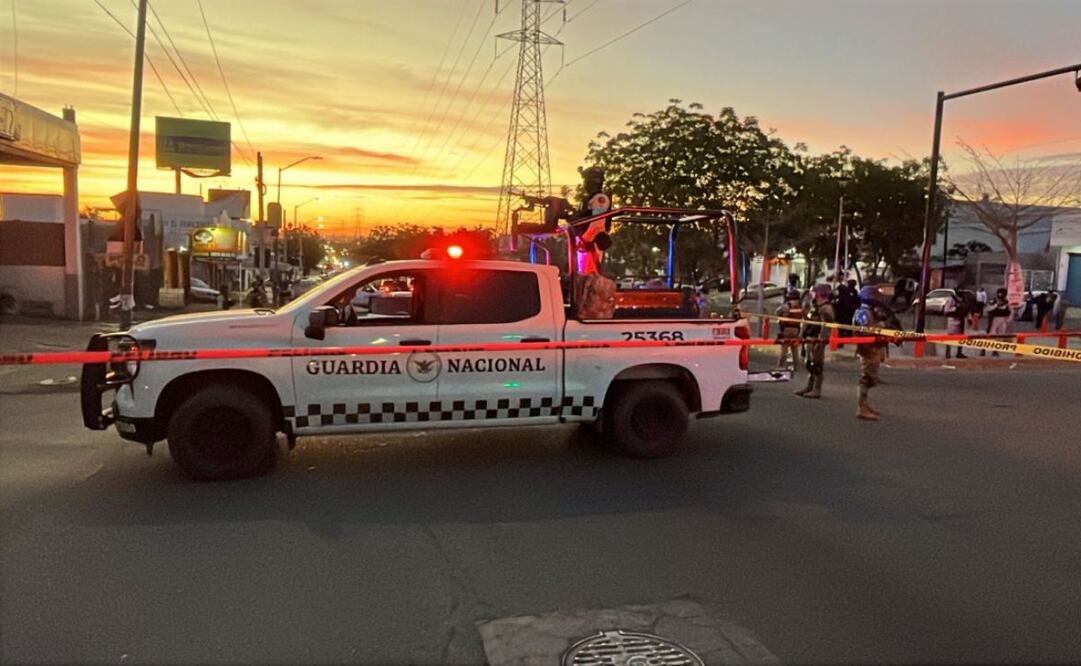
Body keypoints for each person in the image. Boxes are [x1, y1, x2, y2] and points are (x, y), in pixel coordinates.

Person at [853, 286, 903, 421]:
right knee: (866, 378)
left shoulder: (870, 311)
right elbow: (866, 331)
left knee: (871, 378)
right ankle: (861, 408)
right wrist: (882, 325)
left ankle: (865, 404)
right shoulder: (864, 312)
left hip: (874, 347)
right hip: (868, 347)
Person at [794, 283, 834, 398]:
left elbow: (826, 326)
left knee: (817, 365)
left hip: (817, 339)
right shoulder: (815, 307)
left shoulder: (826, 308)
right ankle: (809, 386)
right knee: (809, 363)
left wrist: (822, 340)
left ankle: (817, 389)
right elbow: (807, 322)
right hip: (809, 339)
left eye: (814, 292)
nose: (812, 295)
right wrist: (801, 335)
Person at [775, 289, 804, 372]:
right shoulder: (800, 306)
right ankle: (796, 367)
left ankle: (780, 366)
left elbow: (776, 312)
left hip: (786, 329)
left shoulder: (786, 305)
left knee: (784, 349)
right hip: (796, 330)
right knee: (794, 349)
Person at [982, 288, 1011, 357]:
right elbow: (988, 310)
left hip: (1002, 320)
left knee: (999, 336)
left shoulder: (1006, 302)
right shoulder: (993, 301)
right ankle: (983, 350)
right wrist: (997, 306)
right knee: (989, 336)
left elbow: (1008, 312)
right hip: (993, 320)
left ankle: (995, 350)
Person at [943, 290, 968, 359]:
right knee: (950, 337)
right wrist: (956, 308)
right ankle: (947, 353)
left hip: (961, 319)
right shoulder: (951, 299)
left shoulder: (962, 299)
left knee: (961, 337)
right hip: (953, 320)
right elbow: (946, 311)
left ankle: (959, 353)